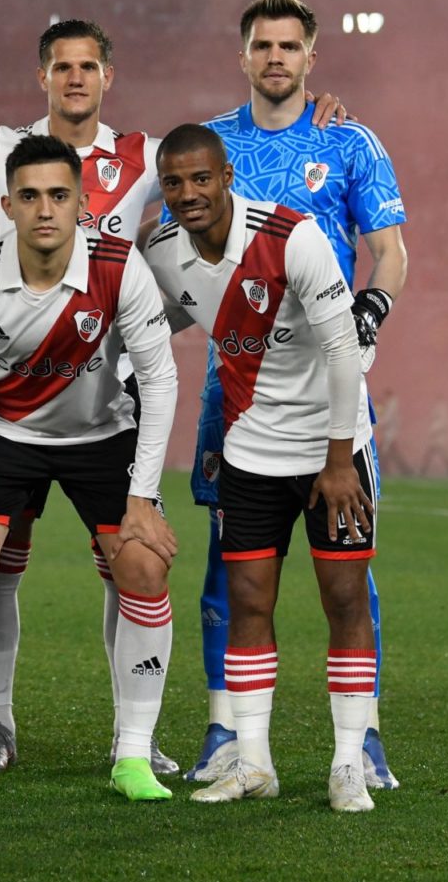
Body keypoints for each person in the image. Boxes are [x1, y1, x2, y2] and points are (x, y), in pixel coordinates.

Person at [186, 0, 408, 789]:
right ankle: (227, 734)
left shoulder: (348, 142)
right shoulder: (210, 144)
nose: (275, 58)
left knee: (347, 565)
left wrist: (371, 311)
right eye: (262, 46)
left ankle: (365, 737)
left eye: (289, 46)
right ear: (243, 55)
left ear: (311, 56)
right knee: (231, 567)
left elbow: (388, 250)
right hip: (235, 394)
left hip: (329, 386)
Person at [0, 135, 180, 800]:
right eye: (29, 196)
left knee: (144, 563)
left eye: (59, 196)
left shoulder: (120, 267)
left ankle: (132, 755)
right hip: (3, 430)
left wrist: (143, 496)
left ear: (83, 203)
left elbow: (159, 377)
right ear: (5, 204)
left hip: (100, 433)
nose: (45, 210)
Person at [145, 123, 379, 812]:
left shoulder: (291, 237)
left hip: (331, 445)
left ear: (226, 178)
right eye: (175, 182)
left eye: (201, 178)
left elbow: (343, 349)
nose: (189, 194)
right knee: (247, 599)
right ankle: (253, 762)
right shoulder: (163, 252)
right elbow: (156, 319)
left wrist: (338, 462)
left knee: (344, 600)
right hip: (250, 451)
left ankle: (347, 765)